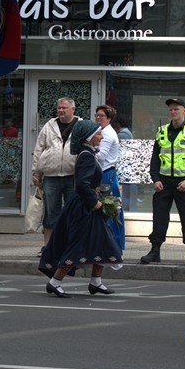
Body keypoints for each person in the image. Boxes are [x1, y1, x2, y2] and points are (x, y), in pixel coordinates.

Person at [39, 120, 123, 298]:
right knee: (79, 245)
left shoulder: (88, 152)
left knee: (104, 243)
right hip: (85, 208)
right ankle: (54, 282)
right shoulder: (86, 155)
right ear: (88, 137)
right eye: (98, 134)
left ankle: (95, 282)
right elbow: (83, 185)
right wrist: (95, 202)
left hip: (88, 206)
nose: (101, 136)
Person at [140, 98, 185, 267]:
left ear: (184, 111)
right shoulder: (161, 131)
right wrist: (156, 179)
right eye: (171, 110)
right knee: (159, 218)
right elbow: (155, 159)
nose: (173, 112)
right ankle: (155, 251)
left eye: (176, 109)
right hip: (164, 182)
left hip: (183, 184)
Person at [31, 97, 80, 249]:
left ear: (73, 109)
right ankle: (48, 247)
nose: (60, 110)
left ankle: (70, 245)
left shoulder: (81, 126)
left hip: (73, 177)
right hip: (51, 176)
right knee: (51, 213)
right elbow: (38, 149)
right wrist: (36, 172)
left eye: (64, 108)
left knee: (72, 212)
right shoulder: (49, 126)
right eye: (59, 108)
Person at [94, 105, 125, 251]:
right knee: (110, 210)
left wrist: (88, 150)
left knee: (109, 211)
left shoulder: (106, 133)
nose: (98, 118)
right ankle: (112, 246)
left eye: (102, 116)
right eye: (97, 115)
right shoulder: (104, 131)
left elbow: (100, 157)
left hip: (106, 175)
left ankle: (113, 247)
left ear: (109, 118)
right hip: (107, 174)